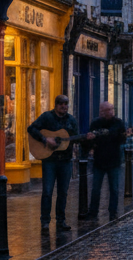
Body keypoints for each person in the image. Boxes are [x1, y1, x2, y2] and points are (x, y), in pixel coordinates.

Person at [27, 95, 89, 233]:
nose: (64, 106)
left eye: (66, 103)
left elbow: (75, 138)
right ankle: (45, 222)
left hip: (65, 161)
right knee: (47, 192)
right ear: (56, 105)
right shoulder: (47, 117)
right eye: (61, 103)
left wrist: (85, 138)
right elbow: (31, 129)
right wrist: (45, 139)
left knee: (63, 193)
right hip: (49, 160)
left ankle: (61, 221)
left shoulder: (71, 120)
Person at [84, 101, 126, 222]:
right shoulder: (96, 123)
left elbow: (120, 137)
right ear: (101, 111)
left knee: (114, 188)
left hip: (114, 160)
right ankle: (93, 212)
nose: (109, 112)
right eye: (106, 110)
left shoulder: (118, 123)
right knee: (96, 188)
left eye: (111, 109)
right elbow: (90, 140)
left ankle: (113, 212)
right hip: (99, 160)